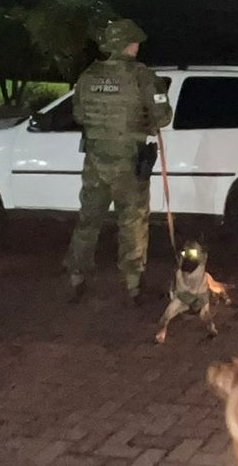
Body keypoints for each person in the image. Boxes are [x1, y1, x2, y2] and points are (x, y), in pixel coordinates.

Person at [62, 18, 172, 304]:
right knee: (132, 220)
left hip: (96, 159)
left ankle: (76, 276)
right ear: (129, 44)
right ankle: (133, 284)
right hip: (128, 161)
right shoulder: (142, 76)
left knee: (88, 219)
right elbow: (163, 117)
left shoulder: (89, 75)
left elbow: (79, 115)